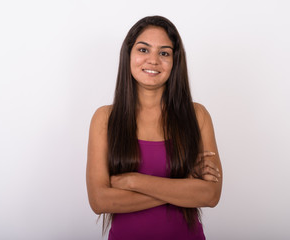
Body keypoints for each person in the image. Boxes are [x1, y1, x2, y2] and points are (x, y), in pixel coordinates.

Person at [86, 16, 222, 240]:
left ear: (175, 61)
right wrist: (185, 187)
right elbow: (100, 201)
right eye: (143, 49)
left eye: (164, 53)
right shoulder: (105, 119)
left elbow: (210, 195)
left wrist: (132, 181)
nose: (153, 60)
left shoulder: (197, 116)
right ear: (128, 55)